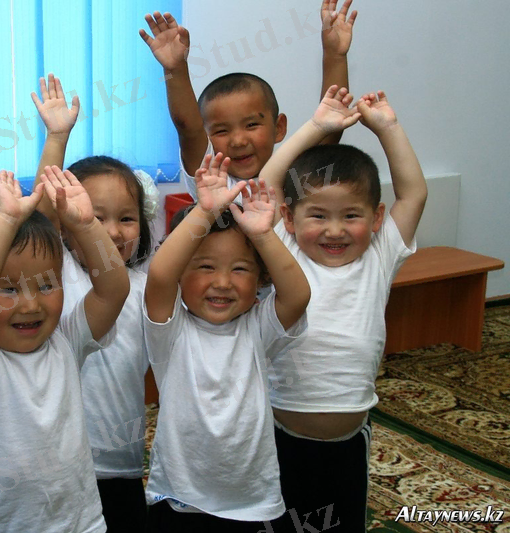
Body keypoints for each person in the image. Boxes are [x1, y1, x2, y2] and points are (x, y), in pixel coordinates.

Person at [261, 86, 427, 531]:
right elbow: (267, 186)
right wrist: (316, 127)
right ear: (289, 218)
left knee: (341, 524)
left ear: (376, 219)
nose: (334, 230)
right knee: (279, 524)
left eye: (351, 216)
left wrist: (388, 128)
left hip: (349, 442)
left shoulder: (379, 256)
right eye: (318, 216)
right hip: (279, 437)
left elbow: (413, 194)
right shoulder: (286, 251)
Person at [0, 167, 130, 532]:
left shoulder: (66, 340)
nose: (30, 305)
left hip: (80, 523)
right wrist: (6, 220)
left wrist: (86, 226)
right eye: (7, 289)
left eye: (46, 285)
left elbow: (113, 290)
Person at [143, 152, 311, 532]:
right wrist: (204, 212)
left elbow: (297, 295)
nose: (222, 282)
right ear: (182, 275)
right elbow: (160, 275)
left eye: (240, 269)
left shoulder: (256, 328)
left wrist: (263, 235)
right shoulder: (170, 332)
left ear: (260, 279)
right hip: (180, 499)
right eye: (205, 267)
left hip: (250, 502)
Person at [30, 74, 156, 532]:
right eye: (94, 217)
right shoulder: (59, 273)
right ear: (69, 222)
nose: (114, 231)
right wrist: (56, 137)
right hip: (60, 461)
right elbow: (39, 219)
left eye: (127, 218)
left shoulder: (146, 286)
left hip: (121, 461)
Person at [139, 0, 357, 199]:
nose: (238, 141)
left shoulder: (292, 179)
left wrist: (335, 55)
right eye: (221, 131)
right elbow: (188, 127)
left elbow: (330, 125)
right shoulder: (209, 181)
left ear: (279, 128)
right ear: (206, 138)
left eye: (251, 125)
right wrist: (175, 68)